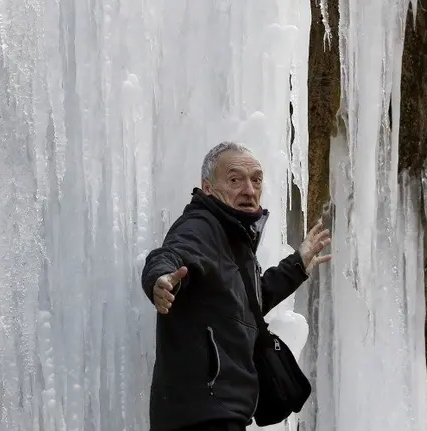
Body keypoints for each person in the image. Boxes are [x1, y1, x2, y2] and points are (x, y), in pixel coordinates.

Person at [140, 142, 331, 431]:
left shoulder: (234, 242)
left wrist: (297, 265)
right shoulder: (200, 226)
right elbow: (169, 255)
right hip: (200, 416)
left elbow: (245, 303)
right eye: (234, 179)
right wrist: (160, 280)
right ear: (207, 188)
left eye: (256, 180)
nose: (250, 190)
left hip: (221, 414)